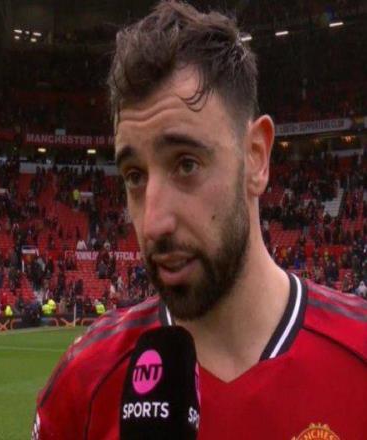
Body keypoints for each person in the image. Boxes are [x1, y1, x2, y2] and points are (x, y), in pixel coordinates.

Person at [33, 2, 366, 439]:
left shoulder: (358, 353)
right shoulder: (83, 384)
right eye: (134, 176)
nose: (153, 223)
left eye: (186, 164)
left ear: (256, 158)